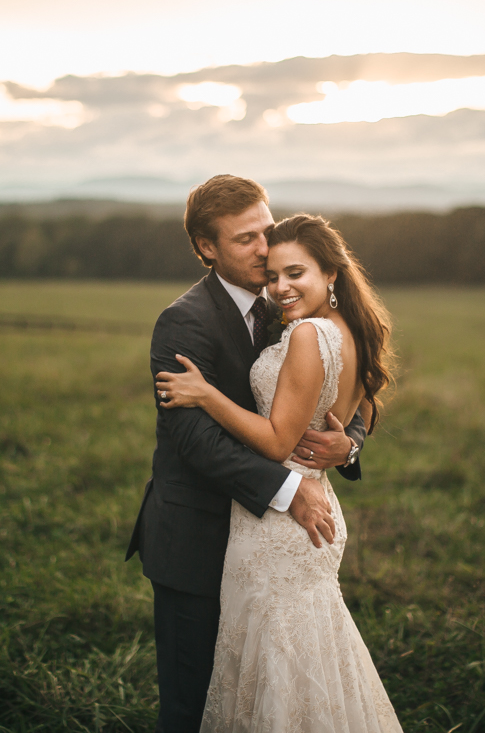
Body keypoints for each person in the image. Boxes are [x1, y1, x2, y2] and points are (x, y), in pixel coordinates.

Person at [125, 176, 369, 732]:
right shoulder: (183, 321)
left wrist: (349, 442)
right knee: (194, 707)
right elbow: (195, 441)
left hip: (267, 547)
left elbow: (339, 385)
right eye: (245, 240)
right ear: (207, 248)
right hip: (198, 538)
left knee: (263, 699)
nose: (265, 249)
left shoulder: (289, 302)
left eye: (266, 229)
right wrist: (289, 492)